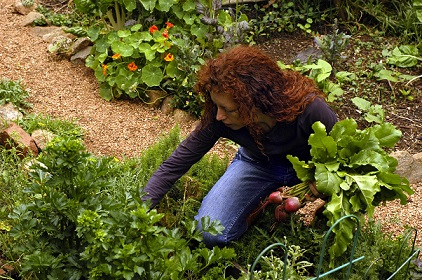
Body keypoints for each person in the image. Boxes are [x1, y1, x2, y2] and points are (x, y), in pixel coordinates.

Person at [142, 44, 338, 248]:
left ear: (255, 102)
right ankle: (259, 204)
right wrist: (139, 210)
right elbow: (177, 162)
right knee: (210, 232)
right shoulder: (219, 118)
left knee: (336, 212)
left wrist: (324, 179)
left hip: (308, 169)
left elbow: (348, 156)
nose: (219, 115)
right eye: (216, 106)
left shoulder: (309, 109)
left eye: (228, 109)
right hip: (258, 162)